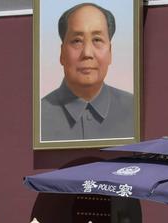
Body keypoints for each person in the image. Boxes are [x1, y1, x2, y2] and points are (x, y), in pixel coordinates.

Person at [40, 3, 134, 141]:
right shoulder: (38, 117)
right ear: (62, 54)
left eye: (97, 40)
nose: (87, 53)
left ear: (110, 53)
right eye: (77, 41)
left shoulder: (134, 110)